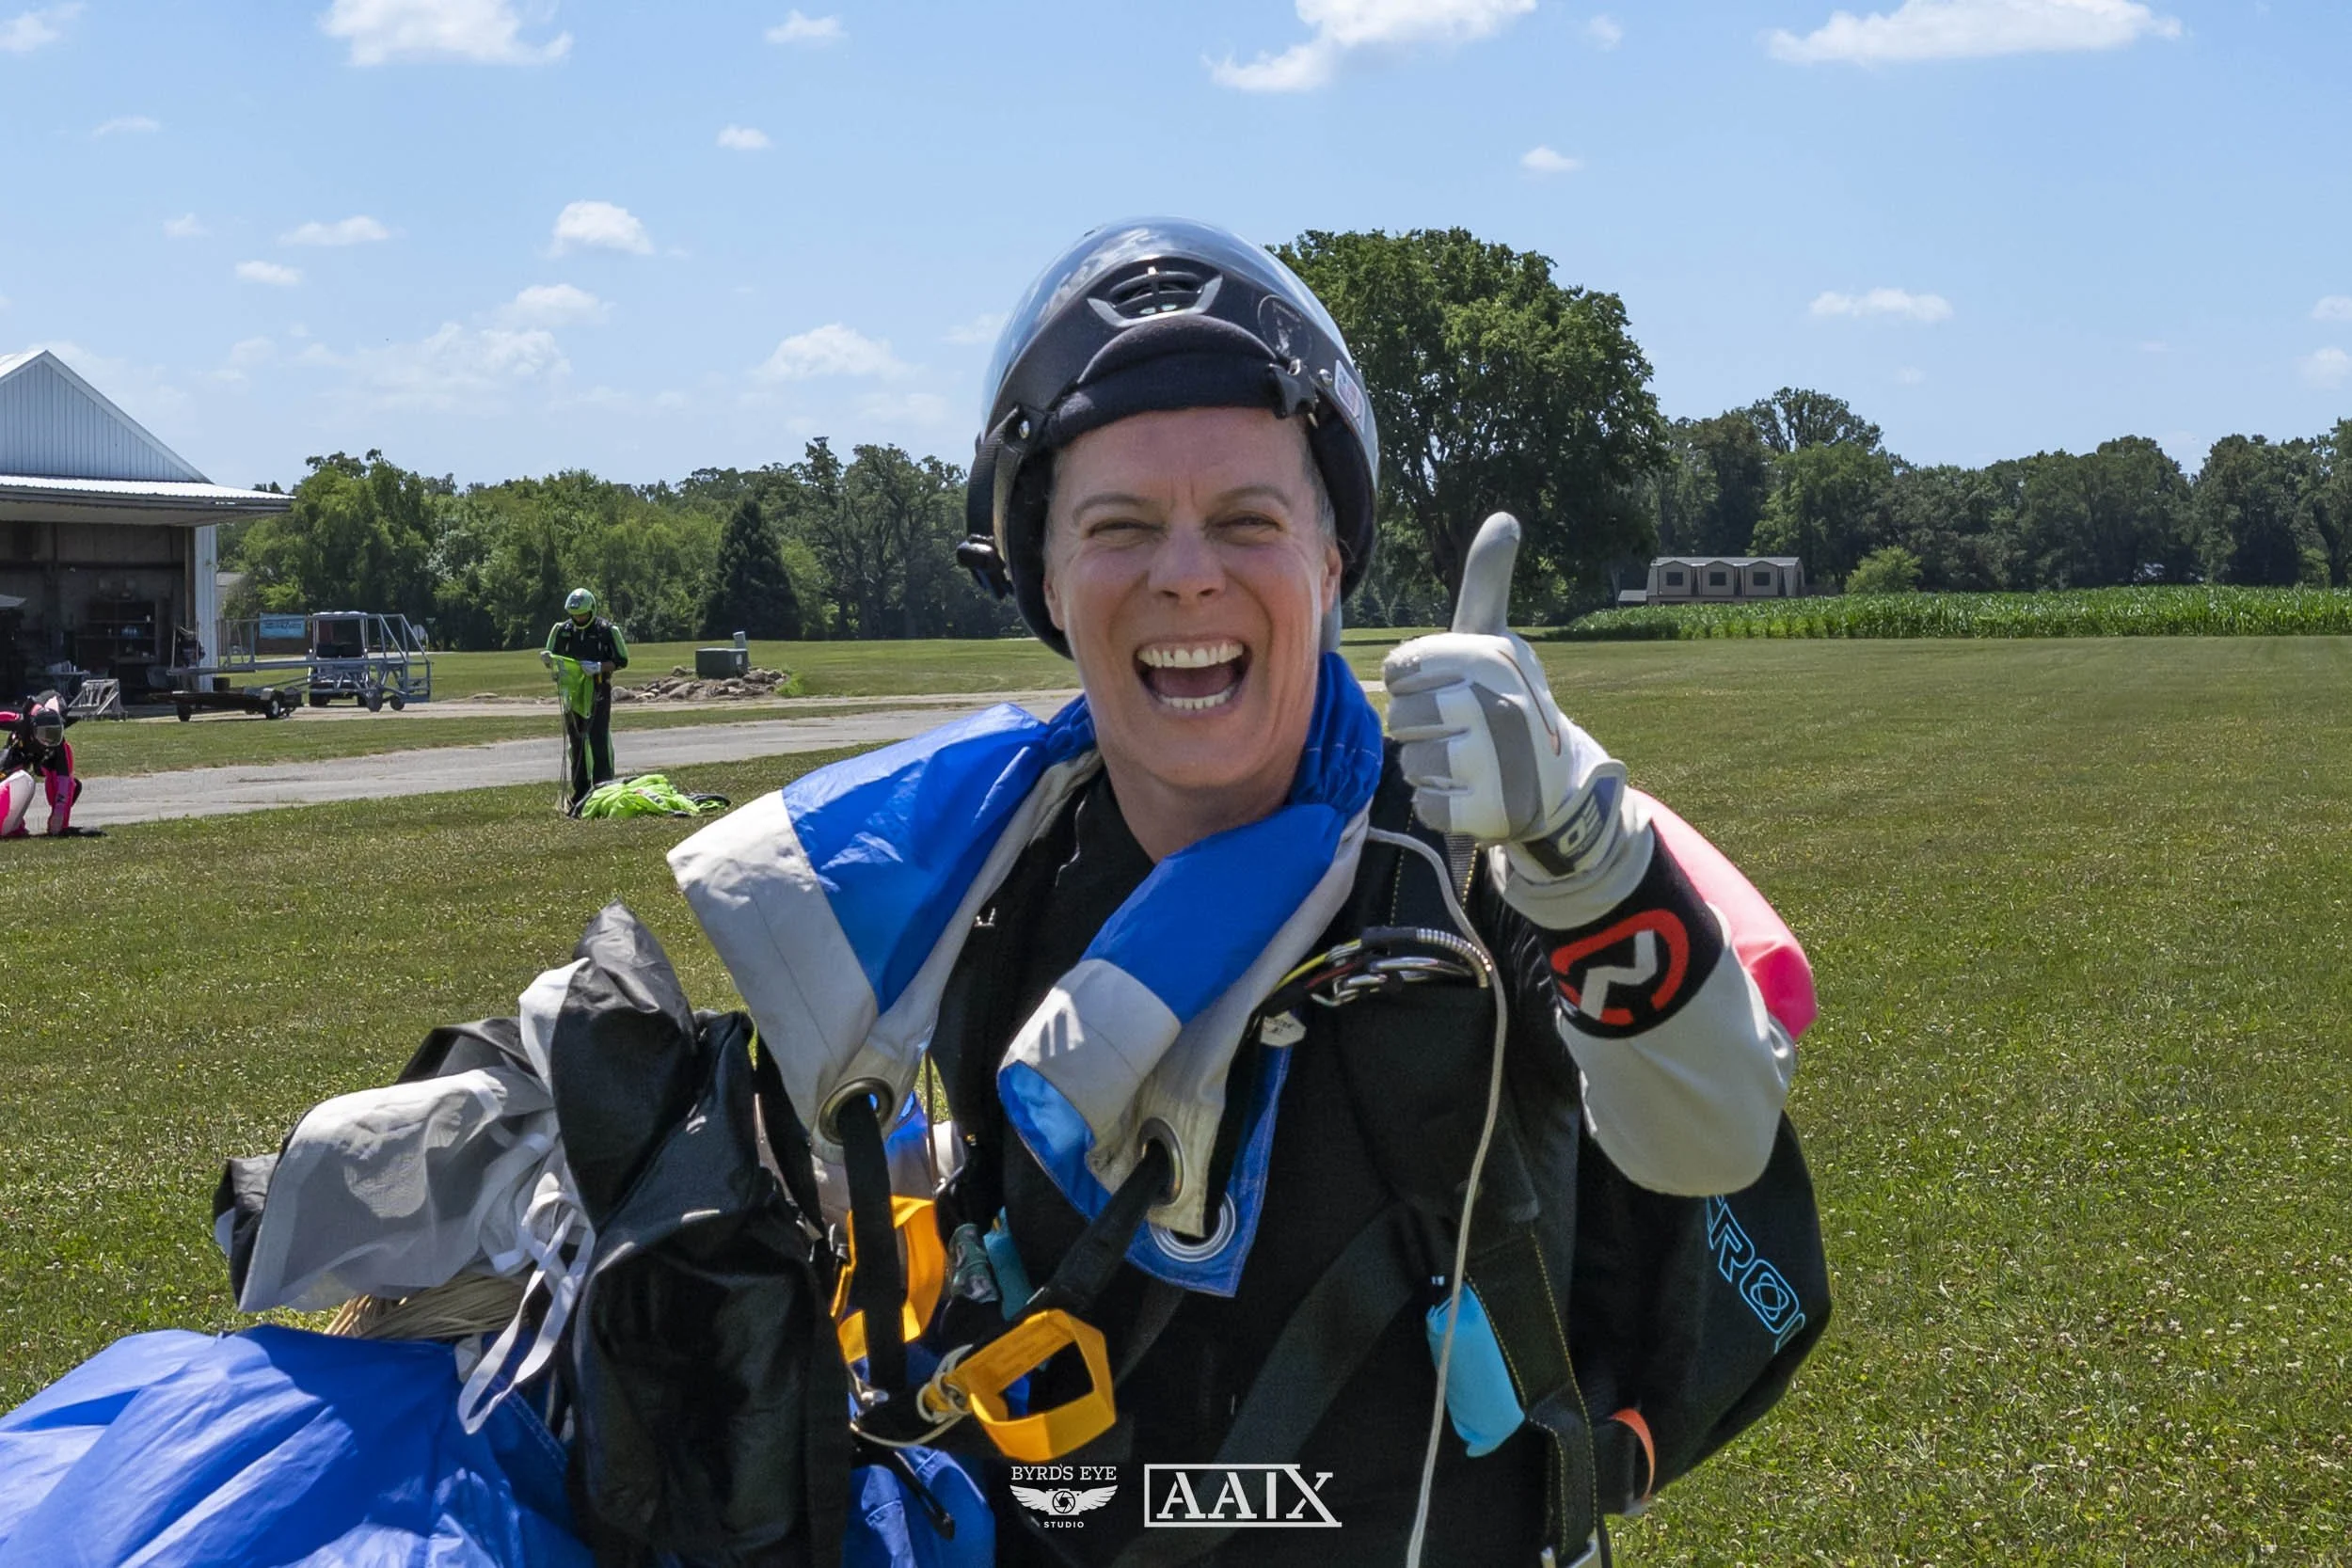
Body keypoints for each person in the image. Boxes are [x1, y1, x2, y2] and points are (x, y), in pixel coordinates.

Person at [672, 219, 1800, 1566]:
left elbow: (1711, 1141)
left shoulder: (1484, 842)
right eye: (1121, 525)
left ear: (1331, 563)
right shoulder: (987, 873)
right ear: (1042, 572)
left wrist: (1580, 847)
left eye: (1248, 520)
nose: (1187, 571)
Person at [540, 588, 628, 815]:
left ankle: (603, 787)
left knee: (598, 737)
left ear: (592, 611)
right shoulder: (563, 631)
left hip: (598, 687)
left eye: (582, 615)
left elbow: (621, 660)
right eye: (575, 615)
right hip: (572, 691)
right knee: (576, 742)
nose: (578, 619)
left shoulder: (606, 630)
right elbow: (553, 654)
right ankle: (580, 791)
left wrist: (599, 667)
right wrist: (548, 660)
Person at [0, 693, 79, 837]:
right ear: (34, 730)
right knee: (8, 774)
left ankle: (59, 824)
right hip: (22, 752)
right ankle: (13, 825)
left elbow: (64, 782)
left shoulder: (58, 746)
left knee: (69, 785)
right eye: (45, 734)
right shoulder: (22, 723)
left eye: (54, 734)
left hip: (47, 761)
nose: (49, 740)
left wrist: (59, 814)